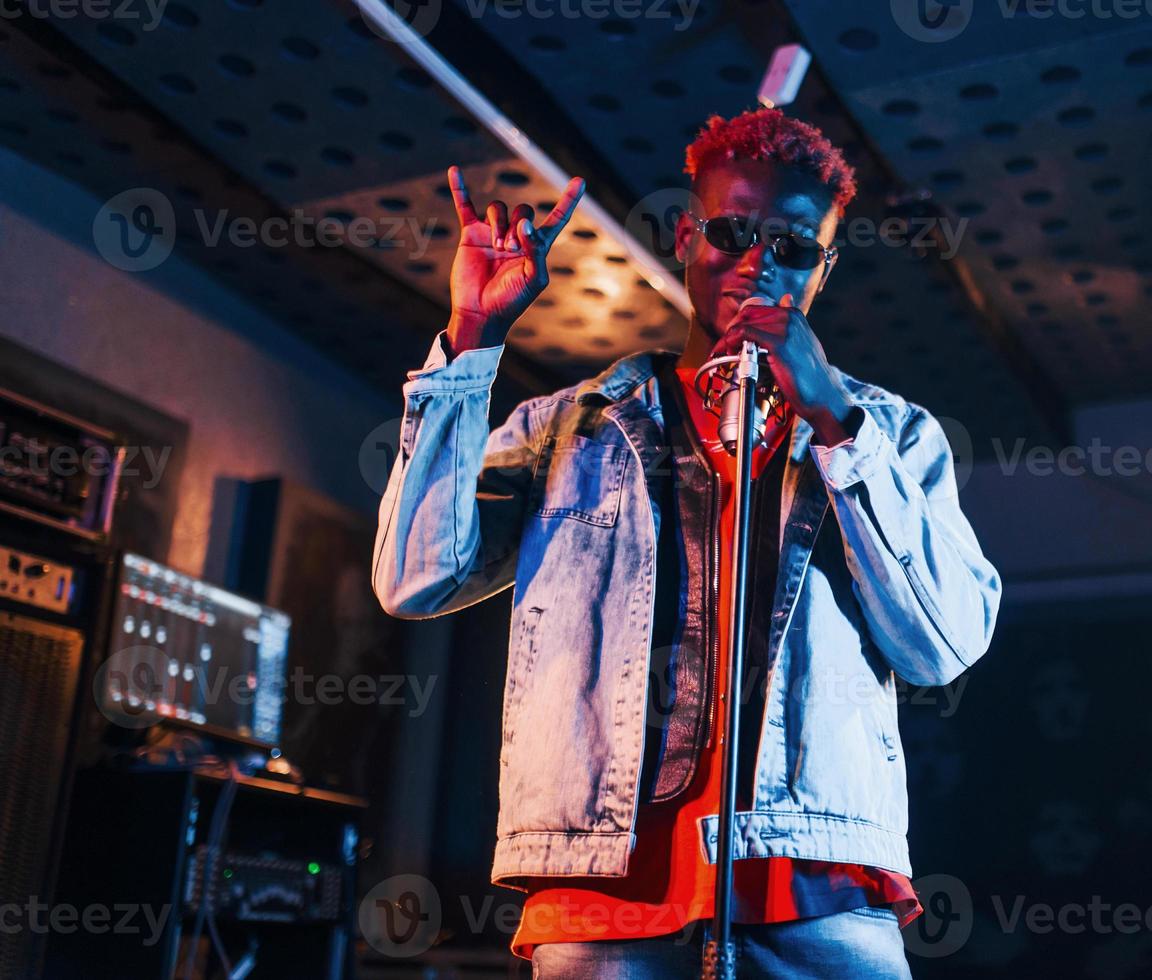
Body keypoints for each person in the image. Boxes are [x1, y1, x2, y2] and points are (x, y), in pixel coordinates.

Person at [372, 107, 1001, 978]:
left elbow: (943, 646)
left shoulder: (892, 434)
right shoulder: (569, 429)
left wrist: (837, 423)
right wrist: (472, 339)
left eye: (792, 246)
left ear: (824, 267)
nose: (756, 263)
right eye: (732, 231)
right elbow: (416, 578)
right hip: (606, 897)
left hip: (816, 889)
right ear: (684, 235)